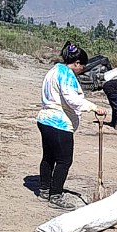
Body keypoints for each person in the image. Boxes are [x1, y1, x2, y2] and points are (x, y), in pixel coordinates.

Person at [36, 41, 106, 209]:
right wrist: (94, 107)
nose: (82, 70)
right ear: (76, 63)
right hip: (59, 123)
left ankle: (44, 189)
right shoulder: (66, 74)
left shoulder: (53, 70)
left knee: (49, 157)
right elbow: (72, 100)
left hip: (45, 120)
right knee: (64, 160)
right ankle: (55, 195)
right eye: (82, 66)